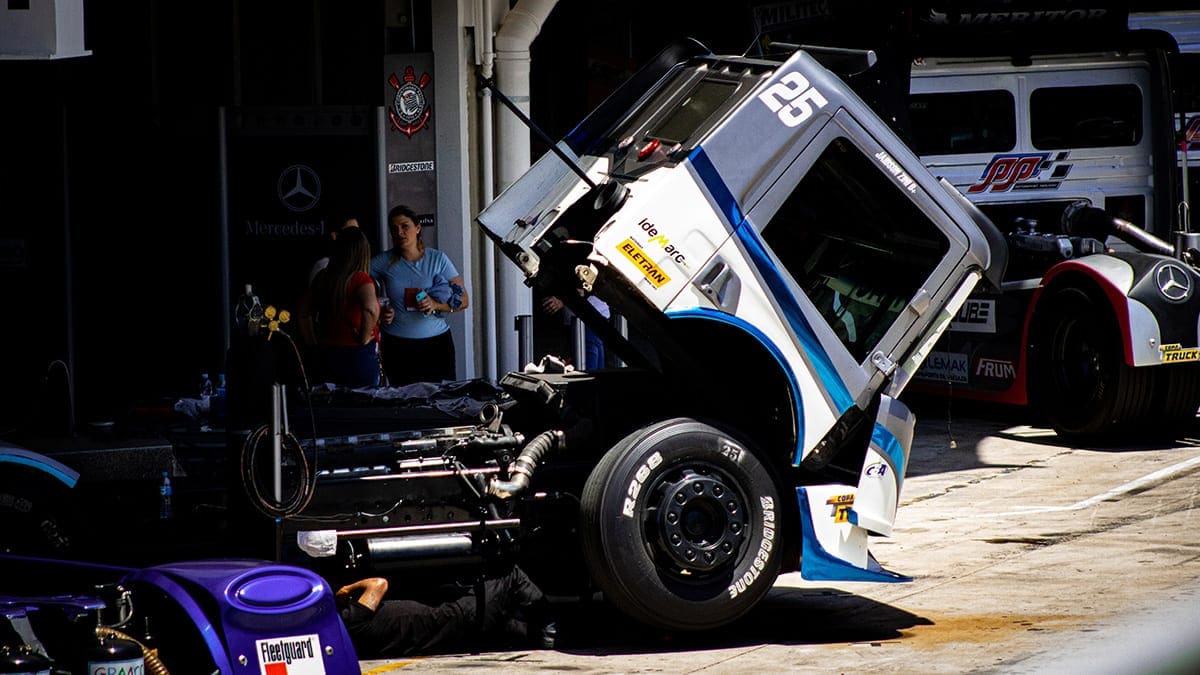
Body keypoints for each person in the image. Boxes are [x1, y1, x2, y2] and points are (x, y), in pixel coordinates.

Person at [334, 566, 551, 657]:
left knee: (512, 629)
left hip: (454, 634)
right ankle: (551, 626)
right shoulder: (351, 622)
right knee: (511, 577)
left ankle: (553, 638)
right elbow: (378, 584)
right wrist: (347, 589)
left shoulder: (354, 643)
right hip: (458, 615)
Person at [372, 204, 469, 386]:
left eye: (404, 226)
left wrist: (435, 305)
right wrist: (380, 309)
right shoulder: (383, 261)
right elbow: (358, 284)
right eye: (394, 228)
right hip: (397, 345)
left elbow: (464, 301)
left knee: (440, 402)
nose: (399, 232)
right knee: (402, 405)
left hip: (436, 346)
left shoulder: (437, 259)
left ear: (417, 228)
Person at [301, 227, 381, 387]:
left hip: (326, 353)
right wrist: (364, 337)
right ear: (362, 252)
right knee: (362, 407)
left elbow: (303, 313)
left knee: (331, 408)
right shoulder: (360, 278)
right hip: (357, 356)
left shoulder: (322, 277)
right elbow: (370, 309)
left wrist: (312, 344)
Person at [540, 293, 609, 370]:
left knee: (588, 370)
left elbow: (584, 288)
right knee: (596, 370)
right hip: (594, 315)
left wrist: (563, 300)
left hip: (585, 320)